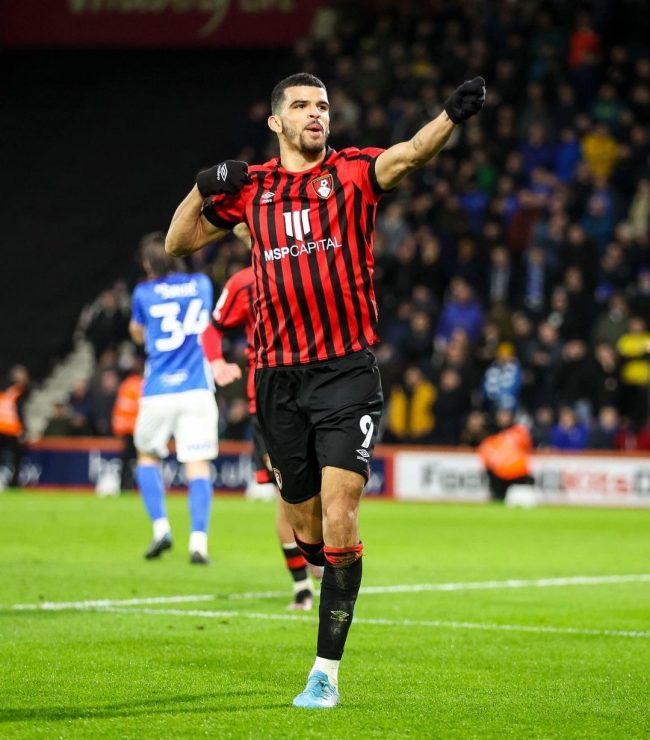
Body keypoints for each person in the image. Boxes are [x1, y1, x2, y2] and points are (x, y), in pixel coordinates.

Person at [165, 72, 485, 708]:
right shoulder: (252, 189)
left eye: (324, 106)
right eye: (303, 106)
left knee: (342, 517)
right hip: (276, 379)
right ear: (276, 122)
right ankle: (319, 567)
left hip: (345, 373)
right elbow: (178, 242)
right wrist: (202, 186)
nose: (317, 115)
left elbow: (410, 154)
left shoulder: (351, 173)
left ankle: (324, 673)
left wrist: (449, 116)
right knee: (308, 532)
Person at [201, 245, 323, 610]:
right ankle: (302, 586)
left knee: (330, 489)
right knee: (287, 498)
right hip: (270, 404)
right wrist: (216, 362)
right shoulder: (244, 282)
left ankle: (320, 553)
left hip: (319, 395)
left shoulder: (314, 267)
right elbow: (213, 330)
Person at [129, 233, 217, 564]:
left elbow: (138, 334)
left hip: (159, 390)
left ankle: (161, 528)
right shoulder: (202, 284)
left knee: (147, 456)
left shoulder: (143, 292)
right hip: (196, 388)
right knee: (198, 465)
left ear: (147, 263)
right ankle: (199, 543)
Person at [478, 409, 534, 501]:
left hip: (519, 475)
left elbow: (527, 446)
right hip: (499, 477)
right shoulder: (489, 437)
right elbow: (486, 459)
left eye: (506, 415)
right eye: (501, 415)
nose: (503, 418)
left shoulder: (519, 432)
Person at [111, 356, 143, 492]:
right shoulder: (140, 384)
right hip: (137, 429)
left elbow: (119, 408)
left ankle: (125, 486)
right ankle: (134, 486)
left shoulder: (125, 384)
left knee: (127, 460)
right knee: (140, 459)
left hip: (125, 429)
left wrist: (118, 428)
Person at [0, 365, 30, 489]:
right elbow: (19, 412)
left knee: (10, 457)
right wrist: (23, 430)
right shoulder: (17, 392)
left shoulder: (5, 390)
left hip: (4, 428)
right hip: (11, 429)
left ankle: (11, 480)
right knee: (16, 458)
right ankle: (13, 481)